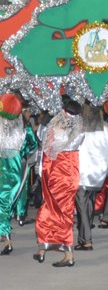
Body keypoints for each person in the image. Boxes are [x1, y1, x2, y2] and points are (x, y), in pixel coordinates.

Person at [34, 98, 84, 267]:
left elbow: (46, 151)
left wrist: (41, 173)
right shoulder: (80, 130)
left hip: (57, 171)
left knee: (48, 209)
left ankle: (46, 248)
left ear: (64, 110)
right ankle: (57, 251)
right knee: (65, 212)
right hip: (72, 172)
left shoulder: (55, 127)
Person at [75, 104, 108, 251]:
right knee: (88, 203)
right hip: (98, 172)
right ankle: (83, 237)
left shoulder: (80, 127)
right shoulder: (105, 127)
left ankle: (86, 240)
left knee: (81, 206)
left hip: (82, 170)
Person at [0, 94, 34, 256]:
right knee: (5, 205)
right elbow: (33, 146)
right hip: (16, 171)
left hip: (5, 173)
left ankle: (7, 241)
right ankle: (5, 237)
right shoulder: (25, 130)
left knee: (3, 206)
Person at [14, 104, 38, 226]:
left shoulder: (10, 125)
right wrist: (26, 153)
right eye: (28, 112)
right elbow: (34, 144)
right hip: (21, 161)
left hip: (8, 160)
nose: (30, 115)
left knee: (11, 186)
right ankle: (21, 214)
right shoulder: (26, 127)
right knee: (23, 187)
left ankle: (12, 213)